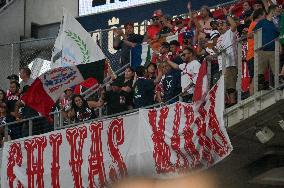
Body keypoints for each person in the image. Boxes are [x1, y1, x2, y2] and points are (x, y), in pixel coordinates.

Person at [253, 5, 280, 89]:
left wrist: (280, 47)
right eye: (277, 11)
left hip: (274, 51)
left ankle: (278, 88)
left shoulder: (276, 24)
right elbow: (254, 33)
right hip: (262, 51)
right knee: (260, 74)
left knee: (277, 73)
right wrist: (258, 47)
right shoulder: (262, 22)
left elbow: (278, 37)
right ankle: (260, 92)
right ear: (272, 11)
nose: (278, 13)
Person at [216, 9, 238, 106]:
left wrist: (227, 15)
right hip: (222, 66)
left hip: (230, 63)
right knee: (224, 86)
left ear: (227, 26)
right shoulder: (218, 39)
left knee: (230, 84)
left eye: (222, 24)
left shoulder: (229, 32)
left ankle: (232, 101)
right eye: (218, 25)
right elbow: (219, 52)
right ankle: (229, 101)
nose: (219, 26)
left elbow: (234, 25)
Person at [246, 8, 266, 95]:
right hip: (254, 54)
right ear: (260, 16)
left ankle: (253, 94)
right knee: (255, 75)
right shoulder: (256, 24)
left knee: (255, 75)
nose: (265, 17)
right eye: (264, 15)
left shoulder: (253, 24)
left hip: (252, 54)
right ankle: (253, 95)